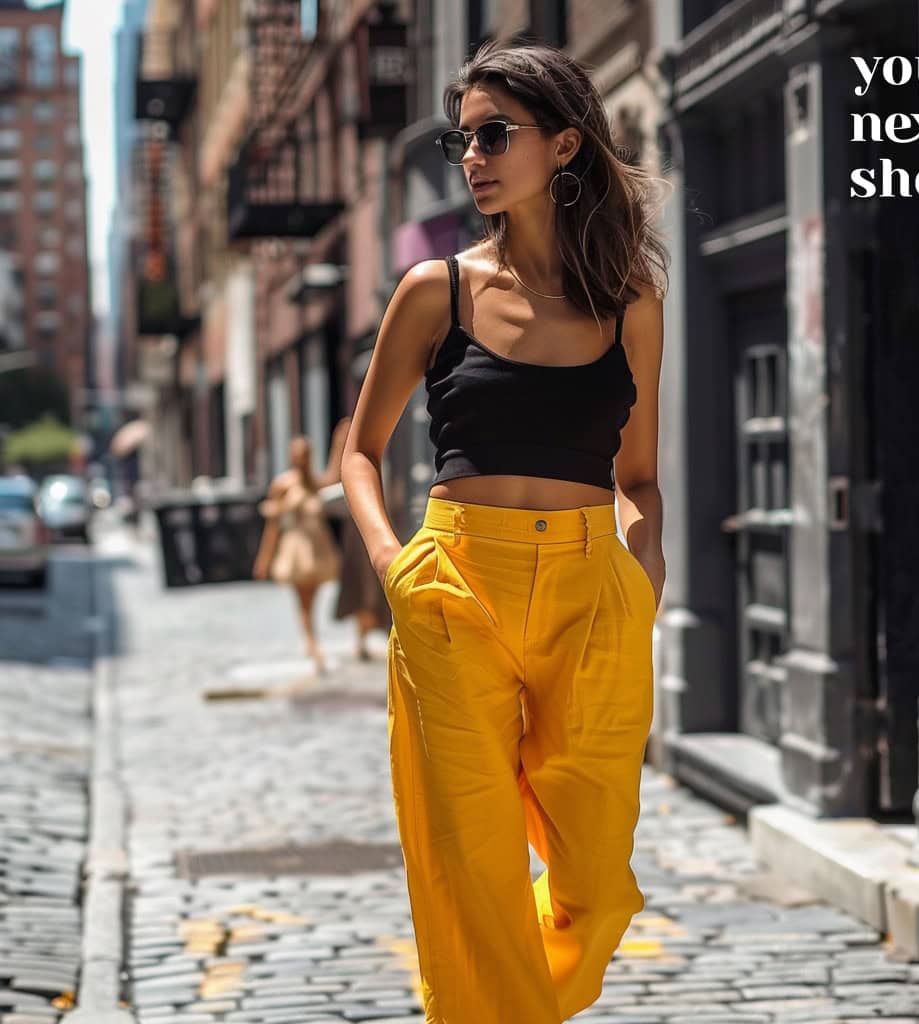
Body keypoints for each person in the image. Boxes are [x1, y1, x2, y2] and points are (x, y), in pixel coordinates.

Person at [340, 38, 668, 1024]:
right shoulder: (434, 289)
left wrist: (642, 578)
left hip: (589, 592)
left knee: (597, 881)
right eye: (462, 139)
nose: (472, 157)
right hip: (455, 583)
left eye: (495, 134)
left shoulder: (630, 301)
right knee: (470, 869)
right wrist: (398, 567)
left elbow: (640, 474)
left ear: (565, 145)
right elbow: (358, 453)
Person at [253, 435, 340, 674]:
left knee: (313, 599)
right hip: (295, 549)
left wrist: (339, 445)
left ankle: (312, 639)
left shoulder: (315, 482)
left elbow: (335, 477)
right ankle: (312, 644)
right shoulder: (282, 484)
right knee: (303, 601)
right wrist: (264, 558)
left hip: (318, 547)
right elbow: (273, 526)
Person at [319, 415, 393, 660]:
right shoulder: (346, 457)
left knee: (371, 582)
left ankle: (372, 633)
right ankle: (363, 636)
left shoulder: (377, 446)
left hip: (375, 522)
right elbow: (327, 484)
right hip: (358, 528)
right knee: (361, 582)